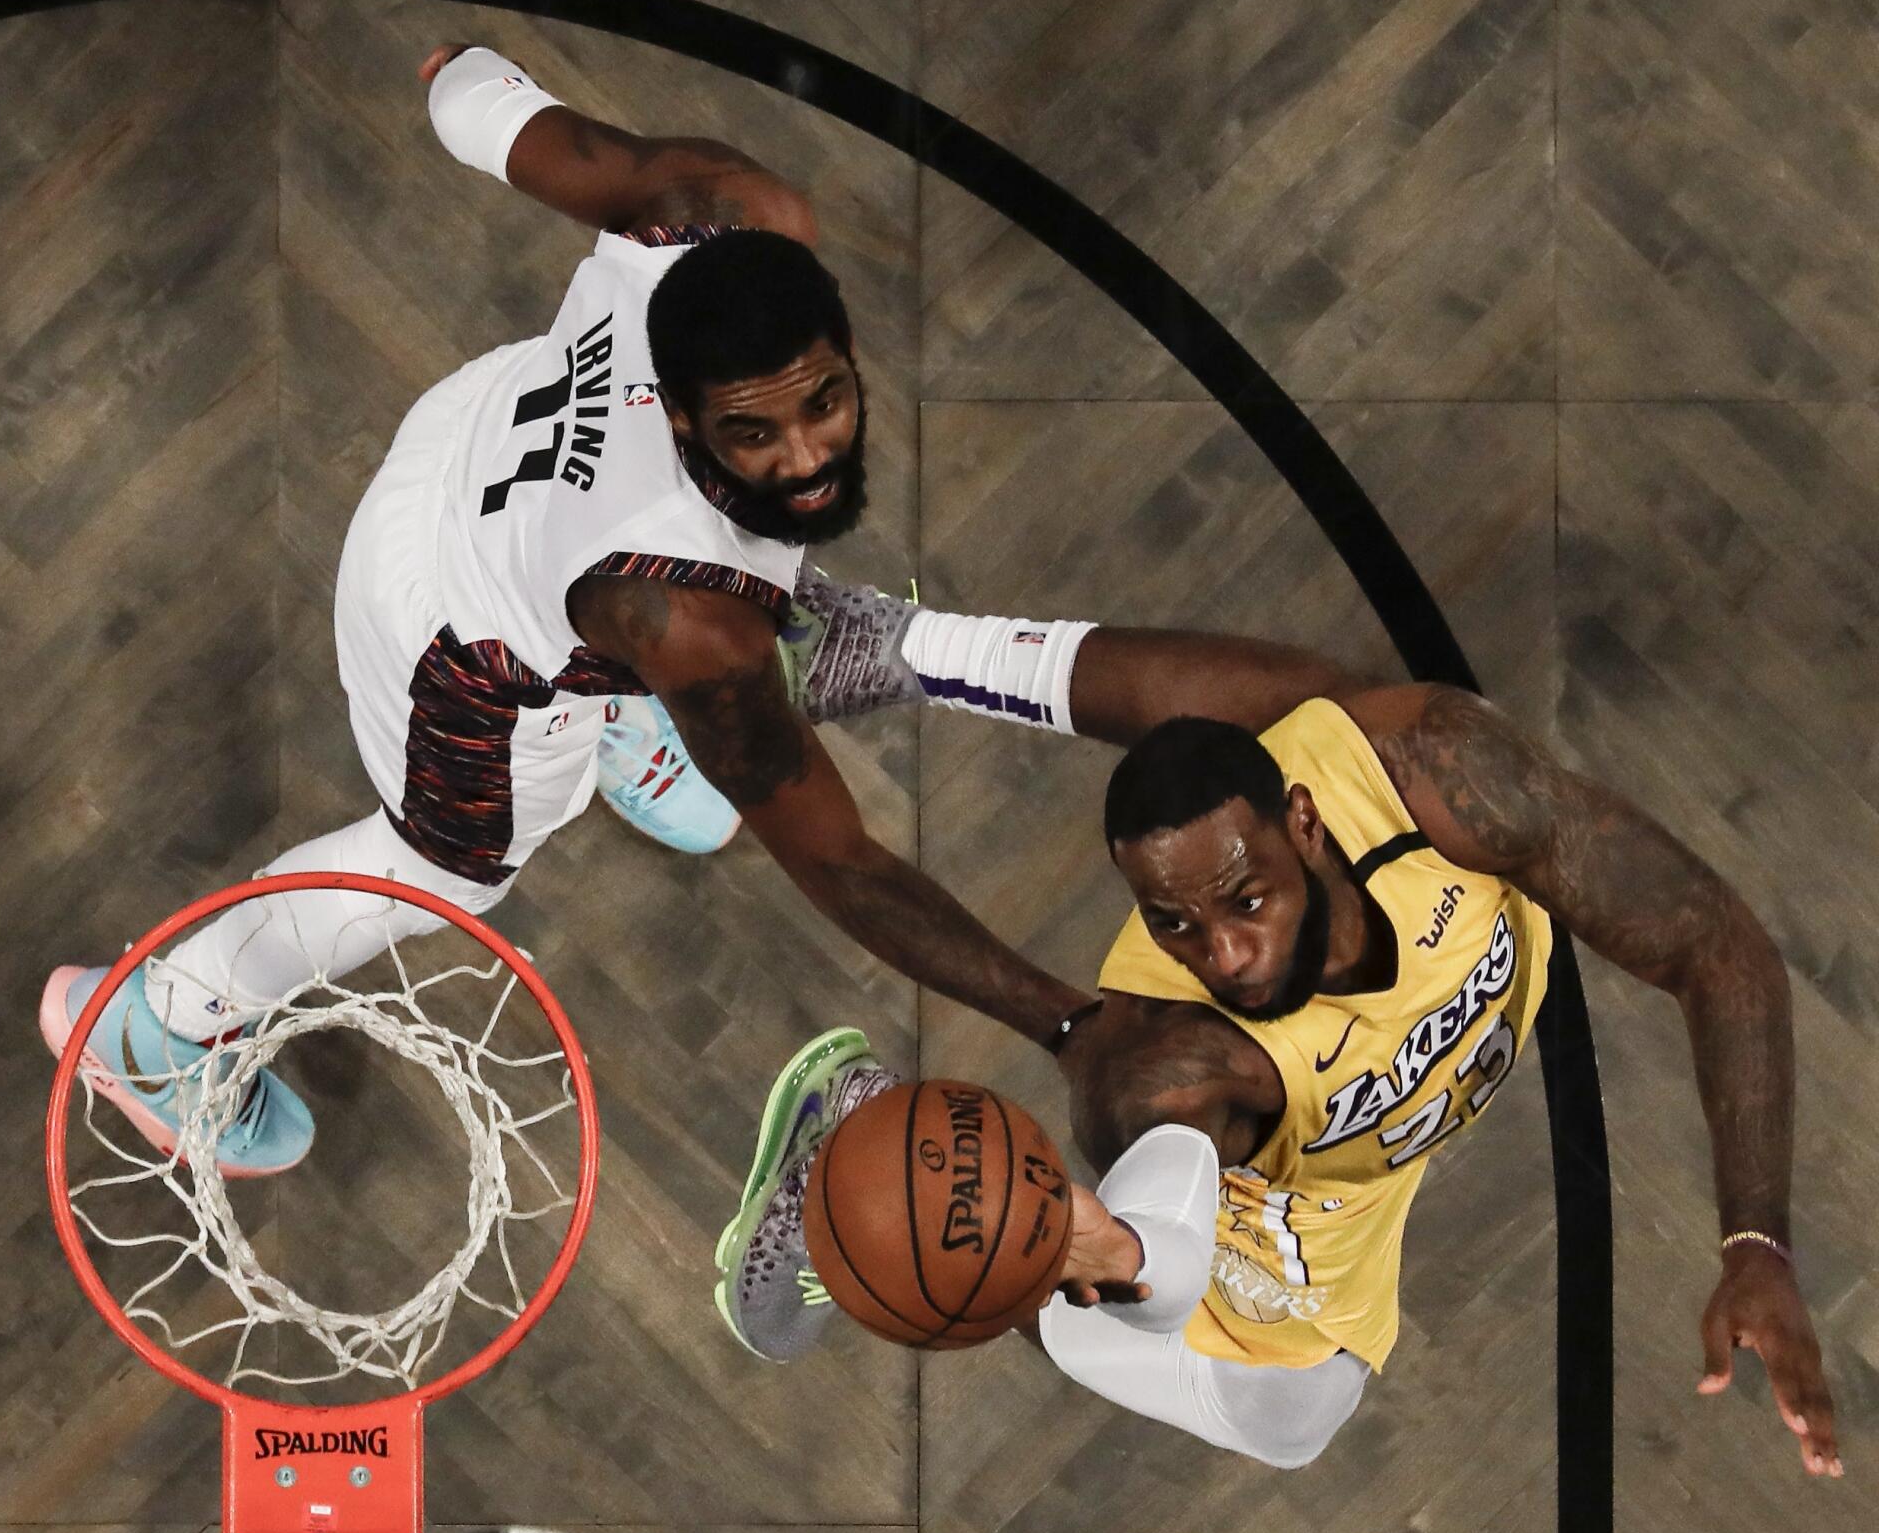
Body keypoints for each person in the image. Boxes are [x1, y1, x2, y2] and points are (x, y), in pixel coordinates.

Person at [35, 47, 1084, 1176]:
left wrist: (458, 73)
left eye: (827, 401)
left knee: (655, 613)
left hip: (470, 442)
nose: (808, 457)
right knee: (449, 872)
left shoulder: (721, 210)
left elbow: (477, 101)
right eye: (753, 434)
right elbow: (845, 867)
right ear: (682, 419)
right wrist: (1070, 1025)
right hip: (455, 648)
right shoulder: (694, 623)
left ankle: (619, 715)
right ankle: (164, 1019)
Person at [720, 590, 1841, 1479]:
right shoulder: (1168, 1067)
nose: (1225, 956)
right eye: (1176, 925)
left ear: (1302, 823)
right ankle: (859, 1165)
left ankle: (895, 644)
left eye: (1245, 900)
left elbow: (1713, 944)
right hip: (1277, 1232)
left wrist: (1756, 1243)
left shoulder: (1432, 776)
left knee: (1294, 1423)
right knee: (1048, 1283)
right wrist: (1121, 1254)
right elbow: (1167, 1250)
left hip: (1365, 1174)